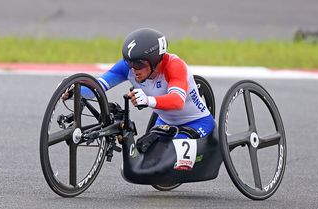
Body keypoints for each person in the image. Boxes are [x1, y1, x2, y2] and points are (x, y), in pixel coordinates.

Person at [63, 27, 215, 139]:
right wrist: (73, 91)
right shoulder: (128, 67)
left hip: (197, 122)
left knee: (172, 156)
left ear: (155, 60)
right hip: (167, 121)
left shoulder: (174, 66)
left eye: (139, 64)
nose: (134, 69)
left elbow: (177, 101)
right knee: (145, 153)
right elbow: (98, 86)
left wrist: (148, 100)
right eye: (130, 63)